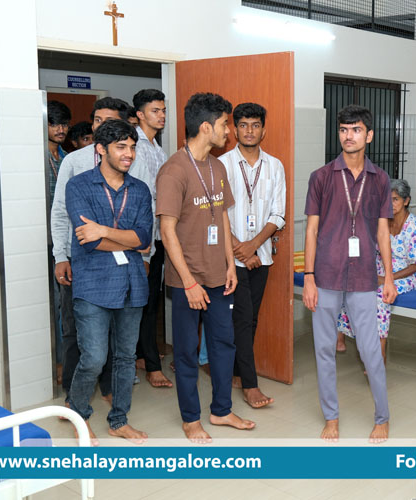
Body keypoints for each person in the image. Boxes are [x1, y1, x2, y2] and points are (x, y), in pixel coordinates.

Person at [157, 92, 255, 443]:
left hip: (219, 276)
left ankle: (221, 410)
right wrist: (188, 282)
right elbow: (167, 231)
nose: (229, 131)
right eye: (225, 124)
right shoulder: (174, 171)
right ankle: (190, 419)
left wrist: (231, 264)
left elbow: (223, 217)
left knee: (224, 345)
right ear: (205, 127)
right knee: (186, 351)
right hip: (188, 281)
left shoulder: (217, 167)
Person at [303, 104, 396, 443]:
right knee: (324, 349)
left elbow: (383, 232)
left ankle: (382, 417)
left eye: (356, 130)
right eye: (343, 129)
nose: (348, 136)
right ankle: (331, 417)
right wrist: (308, 277)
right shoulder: (322, 177)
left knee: (370, 351)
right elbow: (311, 230)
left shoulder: (380, 179)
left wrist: (389, 277)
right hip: (326, 274)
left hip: (363, 277)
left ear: (369, 135)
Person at [65, 119, 152, 443]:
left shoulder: (139, 189)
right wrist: (126, 240)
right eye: (121, 147)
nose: (129, 153)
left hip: (132, 284)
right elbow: (87, 241)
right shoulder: (79, 186)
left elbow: (144, 239)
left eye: (132, 147)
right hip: (93, 284)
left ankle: (119, 420)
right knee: (94, 358)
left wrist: (103, 230)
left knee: (126, 358)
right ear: (100, 149)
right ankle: (78, 415)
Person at [51, 97, 131, 406]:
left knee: (114, 327)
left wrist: (144, 255)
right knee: (75, 328)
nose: (100, 127)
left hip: (119, 258)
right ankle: (73, 396)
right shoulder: (74, 161)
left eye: (108, 122)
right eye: (97, 120)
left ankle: (109, 388)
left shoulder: (128, 159)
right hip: (80, 259)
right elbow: (60, 212)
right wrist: (61, 256)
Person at [219, 102, 286, 409]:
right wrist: (241, 250)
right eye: (243, 125)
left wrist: (253, 246)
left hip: (261, 256)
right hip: (230, 259)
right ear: (234, 130)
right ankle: (250, 384)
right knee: (243, 318)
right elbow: (216, 213)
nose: (249, 131)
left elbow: (278, 214)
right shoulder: (221, 164)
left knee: (250, 318)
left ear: (263, 130)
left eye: (255, 125)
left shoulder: (275, 166)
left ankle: (236, 371)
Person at [336, 179, 416, 363]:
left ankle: (379, 353)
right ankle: (341, 334)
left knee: (380, 295)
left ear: (406, 201)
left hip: (408, 273)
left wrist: (386, 279)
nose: (391, 204)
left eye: (395, 199)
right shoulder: (381, 223)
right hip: (380, 267)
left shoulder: (415, 227)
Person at [130, 89, 172, 389]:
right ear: (140, 114)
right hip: (141, 238)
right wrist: (144, 248)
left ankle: (143, 354)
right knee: (143, 301)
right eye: (155, 110)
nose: (161, 115)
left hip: (158, 236)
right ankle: (151, 366)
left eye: (163, 110)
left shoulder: (158, 148)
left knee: (150, 300)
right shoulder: (134, 146)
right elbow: (140, 197)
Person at [47, 100, 71, 384]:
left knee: (65, 305)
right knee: (52, 305)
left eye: (64, 124)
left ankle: (66, 361)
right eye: (54, 123)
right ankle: (55, 362)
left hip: (65, 239)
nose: (60, 129)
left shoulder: (68, 158)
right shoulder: (37, 157)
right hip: (43, 239)